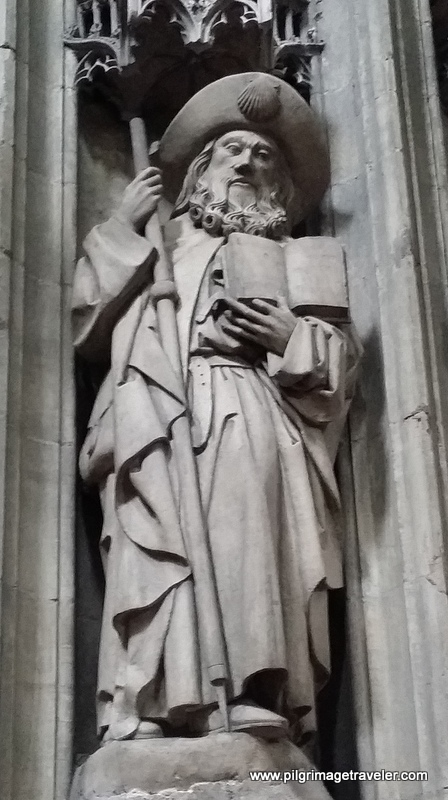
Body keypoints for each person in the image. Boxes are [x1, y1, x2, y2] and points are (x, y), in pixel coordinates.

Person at [72, 72, 361, 747]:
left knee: (246, 540)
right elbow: (85, 322)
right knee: (154, 545)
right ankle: (147, 696)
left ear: (281, 185)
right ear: (201, 169)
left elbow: (339, 366)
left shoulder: (300, 257)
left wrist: (286, 337)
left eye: (264, 157)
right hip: (158, 412)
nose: (247, 164)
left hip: (250, 405)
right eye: (233, 150)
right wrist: (124, 227)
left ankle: (255, 689)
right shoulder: (162, 244)